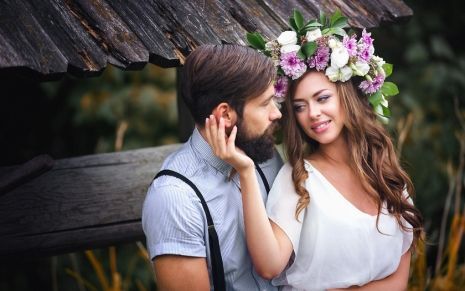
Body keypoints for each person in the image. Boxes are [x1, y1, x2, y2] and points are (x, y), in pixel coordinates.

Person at [205, 10, 423, 291]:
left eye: (322, 98)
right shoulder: (299, 179)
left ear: (347, 98)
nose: (313, 114)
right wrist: (245, 171)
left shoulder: (387, 176)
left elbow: (398, 279)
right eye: (300, 106)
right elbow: (269, 265)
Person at [142, 44, 283, 290]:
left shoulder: (266, 157)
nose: (277, 113)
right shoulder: (174, 198)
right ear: (225, 114)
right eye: (265, 103)